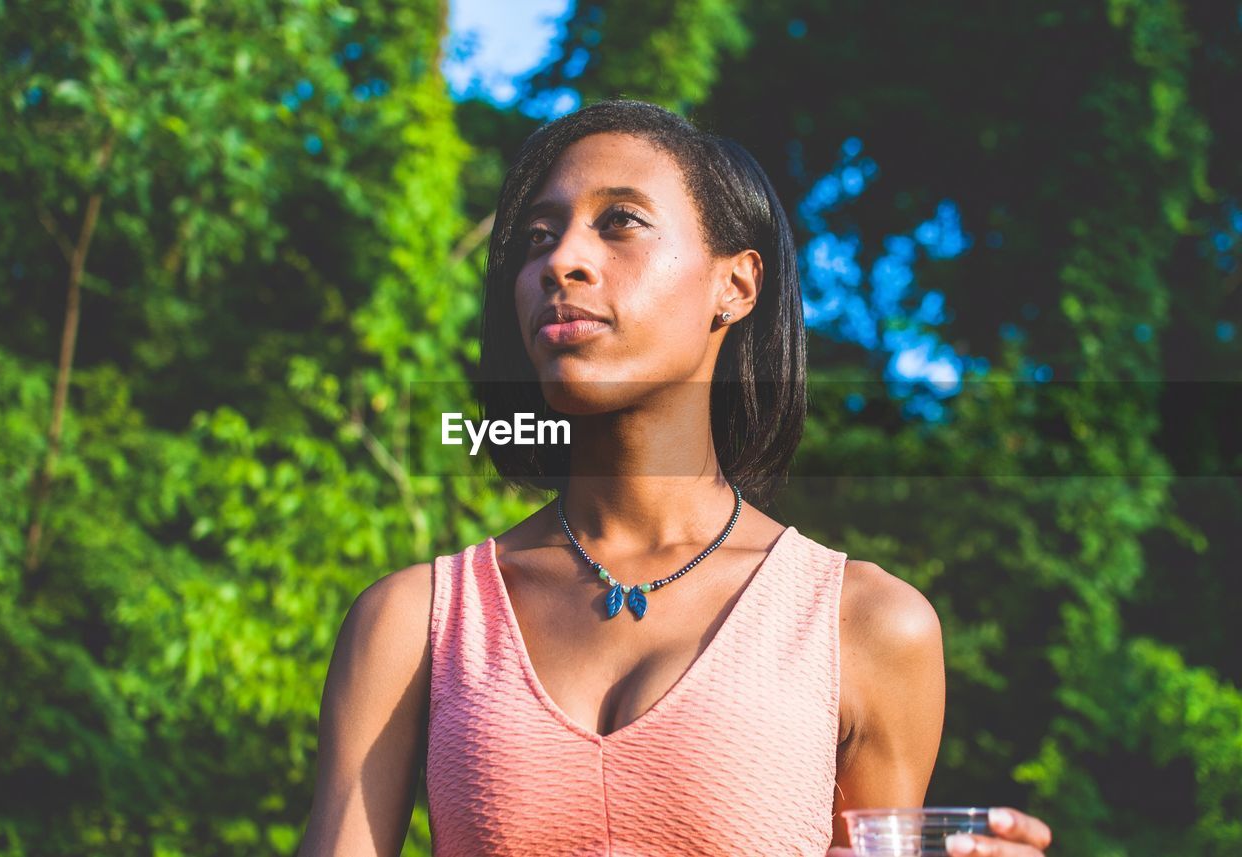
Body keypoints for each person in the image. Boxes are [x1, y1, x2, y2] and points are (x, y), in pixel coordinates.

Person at [297, 100, 1054, 856]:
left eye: (620, 221)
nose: (562, 260)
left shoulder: (867, 627)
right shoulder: (415, 624)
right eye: (537, 237)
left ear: (736, 284)